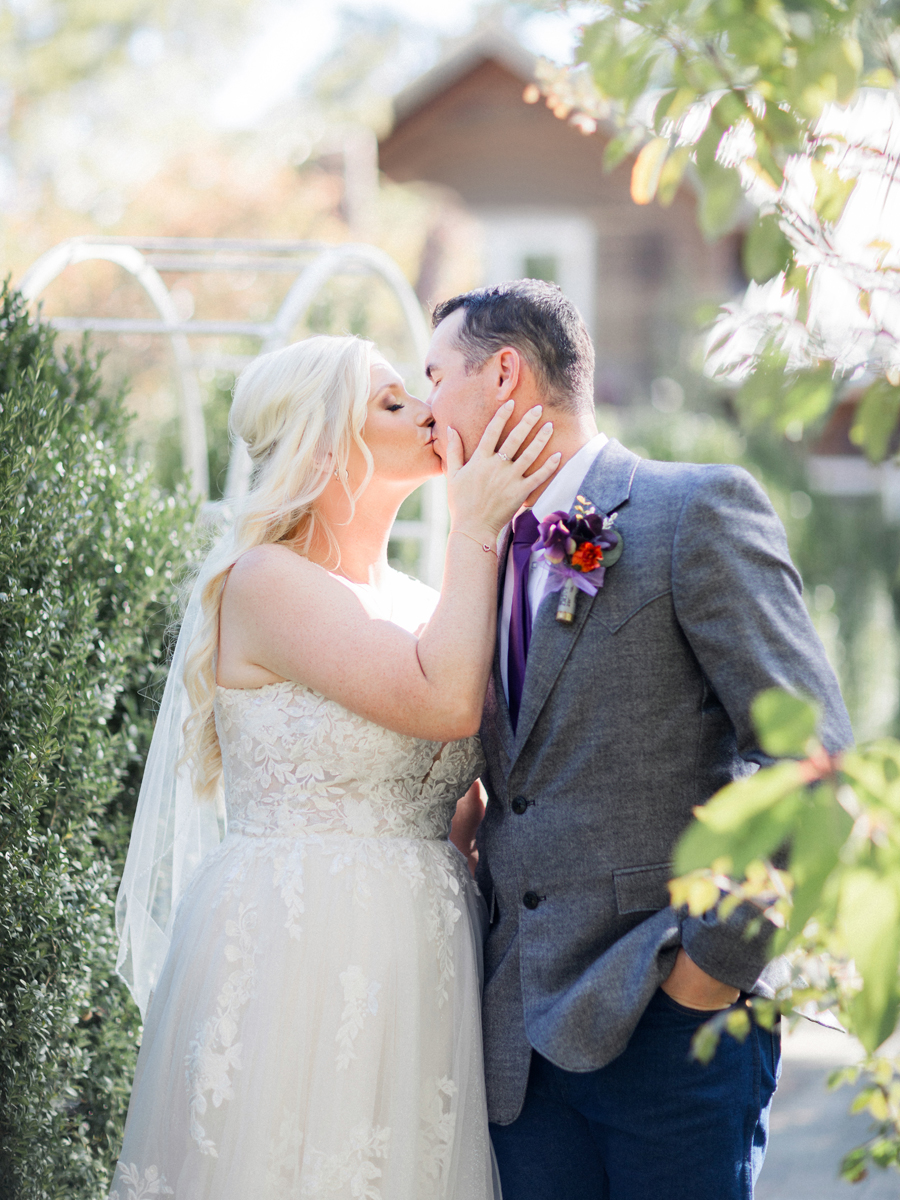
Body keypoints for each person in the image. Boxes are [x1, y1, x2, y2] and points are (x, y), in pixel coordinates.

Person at [424, 279, 853, 1200]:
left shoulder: (690, 513)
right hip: (522, 1059)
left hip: (669, 1031)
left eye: (434, 379)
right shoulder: (479, 557)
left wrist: (709, 971)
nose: (426, 414)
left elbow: (810, 762)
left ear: (505, 374)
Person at [110, 333, 561, 1200]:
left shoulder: (423, 606)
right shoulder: (266, 583)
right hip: (302, 948)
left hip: (423, 951)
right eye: (393, 403)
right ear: (326, 446)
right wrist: (476, 527)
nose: (429, 411)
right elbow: (441, 707)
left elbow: (459, 792)